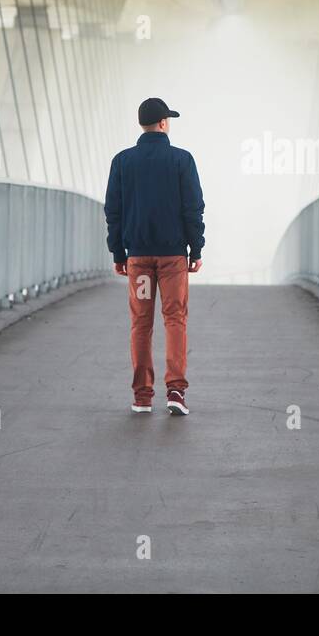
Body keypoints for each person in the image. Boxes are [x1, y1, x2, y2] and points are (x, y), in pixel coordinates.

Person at [104, 97, 205, 416]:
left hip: (139, 260)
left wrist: (118, 252)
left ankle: (142, 396)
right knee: (174, 319)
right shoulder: (182, 160)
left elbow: (114, 212)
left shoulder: (122, 161)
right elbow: (193, 209)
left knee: (141, 323)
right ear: (163, 123)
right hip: (173, 258)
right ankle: (175, 390)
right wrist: (196, 248)